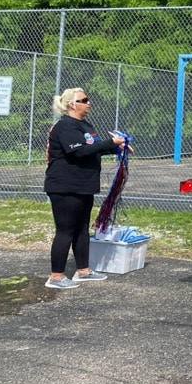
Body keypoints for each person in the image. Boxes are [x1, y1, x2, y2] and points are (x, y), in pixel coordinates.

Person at [44, 88, 128, 289]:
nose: (89, 102)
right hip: (65, 186)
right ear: (73, 104)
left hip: (83, 185)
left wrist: (117, 146)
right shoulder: (64, 127)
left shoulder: (85, 126)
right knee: (65, 230)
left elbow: (93, 148)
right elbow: (79, 151)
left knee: (82, 228)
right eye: (84, 100)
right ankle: (56, 277)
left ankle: (83, 271)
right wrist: (110, 142)